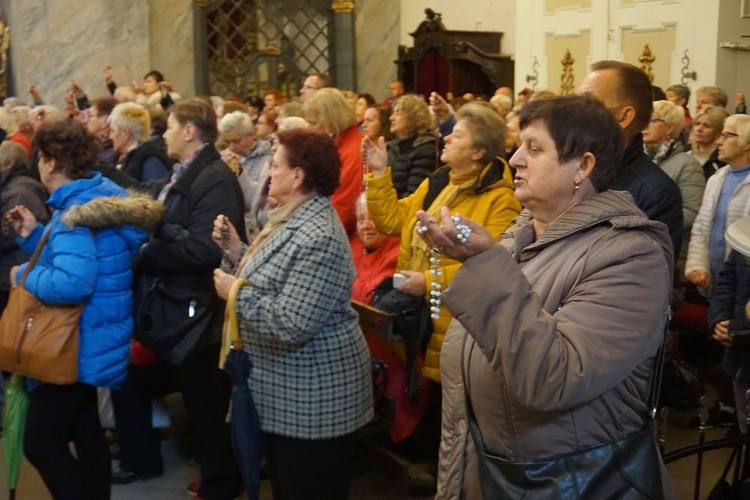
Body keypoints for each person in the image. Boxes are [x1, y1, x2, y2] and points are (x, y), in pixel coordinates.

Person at [419, 95, 674, 499]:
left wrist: (484, 263)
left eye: (534, 149)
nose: (515, 158)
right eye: (518, 145)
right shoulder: (522, 236)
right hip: (494, 470)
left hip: (570, 480)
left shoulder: (630, 256)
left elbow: (554, 378)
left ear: (583, 166)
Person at [211, 128, 373, 500]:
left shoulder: (318, 234)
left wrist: (233, 291)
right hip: (287, 392)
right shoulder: (293, 216)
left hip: (314, 402)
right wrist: (238, 251)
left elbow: (290, 323)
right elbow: (278, 276)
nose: (269, 173)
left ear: (298, 176)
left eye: (276, 166)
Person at [7, 120, 157, 500]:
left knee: (40, 444)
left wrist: (23, 273)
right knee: (86, 434)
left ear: (52, 161)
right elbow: (87, 259)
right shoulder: (96, 199)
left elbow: (74, 282)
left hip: (71, 343)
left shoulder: (76, 211)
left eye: (41, 157)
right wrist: (34, 237)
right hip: (92, 338)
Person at [113, 99, 246, 500]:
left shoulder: (215, 178)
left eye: (170, 126)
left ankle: (221, 485)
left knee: (207, 401)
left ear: (189, 131)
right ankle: (198, 470)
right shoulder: (188, 172)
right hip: (179, 304)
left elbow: (207, 250)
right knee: (184, 392)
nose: (164, 133)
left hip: (199, 310)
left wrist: (147, 252)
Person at [578, 60, 683, 258]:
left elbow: (646, 275)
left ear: (624, 116)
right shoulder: (569, 169)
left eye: (588, 102)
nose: (574, 111)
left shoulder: (657, 193)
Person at [643, 99, 705, 292]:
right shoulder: (638, 160)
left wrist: (647, 222)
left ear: (669, 128)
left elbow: (692, 212)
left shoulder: (687, 164)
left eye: (652, 120)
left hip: (668, 250)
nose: (644, 126)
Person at [686, 114, 750, 295]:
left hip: (743, 284)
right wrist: (697, 265)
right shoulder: (717, 178)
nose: (719, 142)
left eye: (728, 136)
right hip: (714, 280)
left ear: (748, 143)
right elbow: (701, 226)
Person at [303, 87, 364, 235]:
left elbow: (344, 208)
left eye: (313, 123)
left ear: (330, 120)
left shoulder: (355, 151)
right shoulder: (338, 145)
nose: (309, 130)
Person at [709, 215, 750, 434]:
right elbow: (727, 280)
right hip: (741, 362)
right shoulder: (747, 230)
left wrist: (737, 330)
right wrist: (719, 319)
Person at [0, 141, 49, 311]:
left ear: (8, 163)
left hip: (11, 272)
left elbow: (9, 233)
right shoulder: (18, 187)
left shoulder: (18, 192)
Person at [387, 95, 440, 198]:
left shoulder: (425, 150)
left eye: (398, 113)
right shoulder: (392, 146)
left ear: (413, 117)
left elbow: (414, 196)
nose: (391, 118)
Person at [109, 102, 172, 183]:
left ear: (125, 134)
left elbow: (152, 194)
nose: (110, 137)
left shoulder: (151, 162)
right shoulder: (131, 158)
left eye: (112, 131)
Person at [690, 105, 730, 179]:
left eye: (706, 126)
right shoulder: (685, 153)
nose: (699, 129)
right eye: (697, 124)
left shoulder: (723, 162)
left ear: (718, 131)